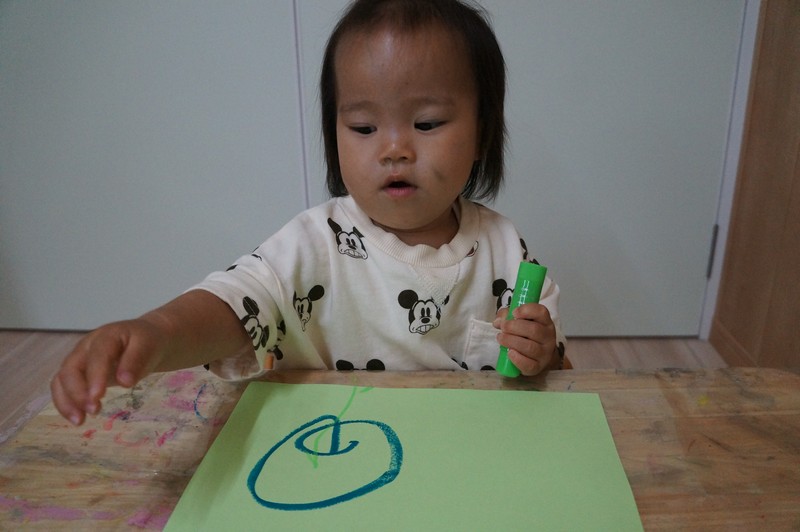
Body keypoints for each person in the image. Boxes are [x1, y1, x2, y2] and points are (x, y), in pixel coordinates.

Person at [51, 0, 567, 426]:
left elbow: (557, 372)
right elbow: (237, 304)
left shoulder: (503, 248)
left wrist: (538, 352)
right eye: (363, 128)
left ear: (481, 134)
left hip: (462, 452)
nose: (394, 149)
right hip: (331, 448)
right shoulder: (315, 242)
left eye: (427, 123)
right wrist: (158, 332)